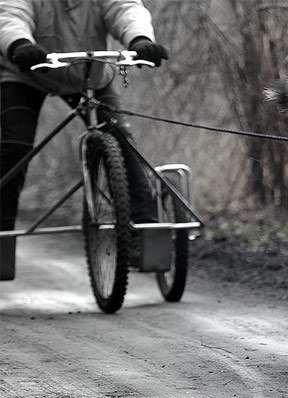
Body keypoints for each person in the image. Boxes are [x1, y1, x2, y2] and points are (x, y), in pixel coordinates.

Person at [0, 0, 169, 280]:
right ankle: (2, 234)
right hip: (25, 72)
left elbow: (125, 9)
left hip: (88, 75)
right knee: (15, 146)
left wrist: (139, 39)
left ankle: (143, 231)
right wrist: (19, 44)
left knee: (120, 139)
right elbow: (10, 14)